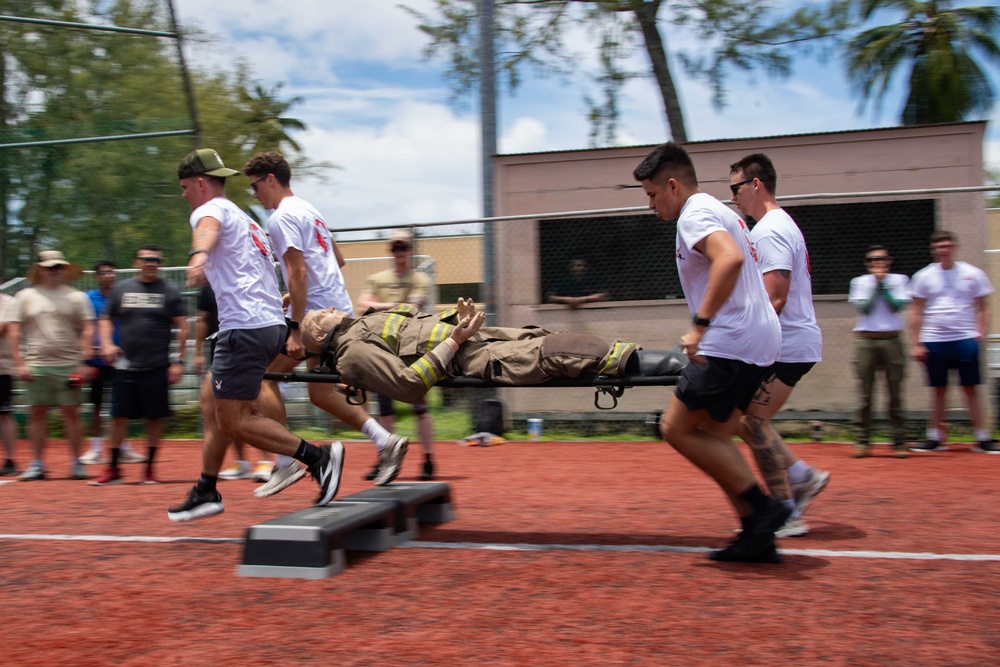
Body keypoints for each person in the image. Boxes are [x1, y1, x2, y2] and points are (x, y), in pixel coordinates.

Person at [167, 147, 343, 522]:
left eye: (185, 186)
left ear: (200, 183)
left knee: (234, 420)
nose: (184, 194)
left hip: (243, 328)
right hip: (266, 324)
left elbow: (207, 229)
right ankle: (206, 488)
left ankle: (317, 458)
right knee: (209, 401)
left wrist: (198, 255)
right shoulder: (245, 217)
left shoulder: (208, 210)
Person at [633, 142, 788, 563]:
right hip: (761, 340)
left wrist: (699, 326)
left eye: (651, 194)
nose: (651, 205)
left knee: (675, 428)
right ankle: (759, 536)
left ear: (672, 185)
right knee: (716, 435)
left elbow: (730, 259)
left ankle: (764, 509)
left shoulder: (695, 214)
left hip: (731, 340)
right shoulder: (724, 211)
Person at [243, 151, 409, 497]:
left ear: (271, 179)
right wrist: (298, 294)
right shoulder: (309, 209)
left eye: (256, 186)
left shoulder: (280, 219)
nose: (254, 195)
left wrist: (294, 326)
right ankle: (386, 440)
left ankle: (284, 461)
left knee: (264, 380)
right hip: (339, 313)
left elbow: (300, 272)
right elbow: (338, 259)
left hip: (317, 321)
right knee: (319, 393)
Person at [728, 153, 830, 539]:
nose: (733, 197)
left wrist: (739, 339)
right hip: (790, 342)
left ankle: (787, 511)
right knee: (747, 421)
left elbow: (774, 299)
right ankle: (802, 477)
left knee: (752, 422)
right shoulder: (777, 225)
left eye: (735, 188)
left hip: (787, 344)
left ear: (756, 184)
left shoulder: (769, 230)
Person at [300, 298, 643, 399]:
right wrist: (456, 340)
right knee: (561, 350)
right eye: (322, 315)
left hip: (470, 337)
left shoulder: (365, 322)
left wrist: (455, 319)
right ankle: (648, 364)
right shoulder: (352, 351)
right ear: (318, 337)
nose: (330, 309)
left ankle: (648, 361)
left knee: (543, 334)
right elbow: (409, 383)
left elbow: (418, 326)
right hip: (470, 356)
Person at [89, 245, 188, 485]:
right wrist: (106, 344)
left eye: (155, 260)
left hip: (157, 365)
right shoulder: (122, 288)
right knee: (118, 417)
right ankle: (112, 468)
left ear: (160, 264)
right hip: (125, 365)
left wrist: (178, 361)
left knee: (155, 418)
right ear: (137, 262)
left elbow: (184, 327)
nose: (151, 263)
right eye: (146, 259)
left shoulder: (170, 291)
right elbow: (105, 319)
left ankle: (150, 469)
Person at [6, 250, 95, 481]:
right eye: (49, 267)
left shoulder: (77, 297)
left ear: (64, 270)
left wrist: (84, 361)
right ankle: (36, 463)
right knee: (36, 413)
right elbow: (15, 330)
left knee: (72, 413)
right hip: (36, 362)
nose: (54, 271)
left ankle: (77, 462)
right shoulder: (26, 296)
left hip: (69, 363)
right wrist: (19, 361)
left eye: (58, 267)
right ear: (40, 270)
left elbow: (87, 328)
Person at [908, 230, 999, 453]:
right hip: (934, 340)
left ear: (955, 248)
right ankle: (935, 437)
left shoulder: (972, 273)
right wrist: (917, 343)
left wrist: (980, 333)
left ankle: (983, 438)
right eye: (939, 247)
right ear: (934, 250)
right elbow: (916, 311)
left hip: (965, 340)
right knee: (938, 390)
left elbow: (983, 306)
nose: (944, 250)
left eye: (947, 246)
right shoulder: (923, 276)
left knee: (970, 389)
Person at [355, 229, 435, 480]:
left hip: (412, 348)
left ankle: (428, 460)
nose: (400, 252)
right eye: (395, 248)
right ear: (390, 251)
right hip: (384, 348)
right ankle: (385, 460)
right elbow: (360, 306)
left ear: (410, 250)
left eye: (404, 247)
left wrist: (379, 307)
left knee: (419, 406)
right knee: (385, 408)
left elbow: (413, 307)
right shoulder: (377, 278)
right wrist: (393, 306)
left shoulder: (420, 278)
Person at [195, 283, 270, 483]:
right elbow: (203, 319)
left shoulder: (244, 278)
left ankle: (266, 461)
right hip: (220, 351)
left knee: (254, 406)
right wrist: (197, 352)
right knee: (224, 408)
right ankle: (242, 463)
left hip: (247, 347)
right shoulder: (209, 285)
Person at [79, 260, 145, 466]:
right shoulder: (88, 299)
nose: (109, 276)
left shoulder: (124, 296)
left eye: (111, 272)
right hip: (97, 359)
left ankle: (124, 448)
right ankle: (96, 448)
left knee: (122, 406)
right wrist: (87, 353)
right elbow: (83, 326)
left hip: (121, 358)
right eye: (104, 273)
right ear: (97, 277)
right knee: (97, 405)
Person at [849, 245, 911, 458]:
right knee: (865, 394)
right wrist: (877, 286)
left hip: (892, 339)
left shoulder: (900, 280)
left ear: (889, 260)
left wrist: (884, 285)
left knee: (895, 393)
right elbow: (864, 308)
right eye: (873, 260)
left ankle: (899, 441)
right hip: (867, 340)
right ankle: (863, 441)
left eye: (882, 259)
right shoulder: (859, 282)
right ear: (867, 264)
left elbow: (897, 306)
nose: (878, 263)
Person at [0, 293, 18, 475]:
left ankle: (10, 460)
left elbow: (2, 327)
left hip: (2, 366)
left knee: (4, 414)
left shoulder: (9, 303)